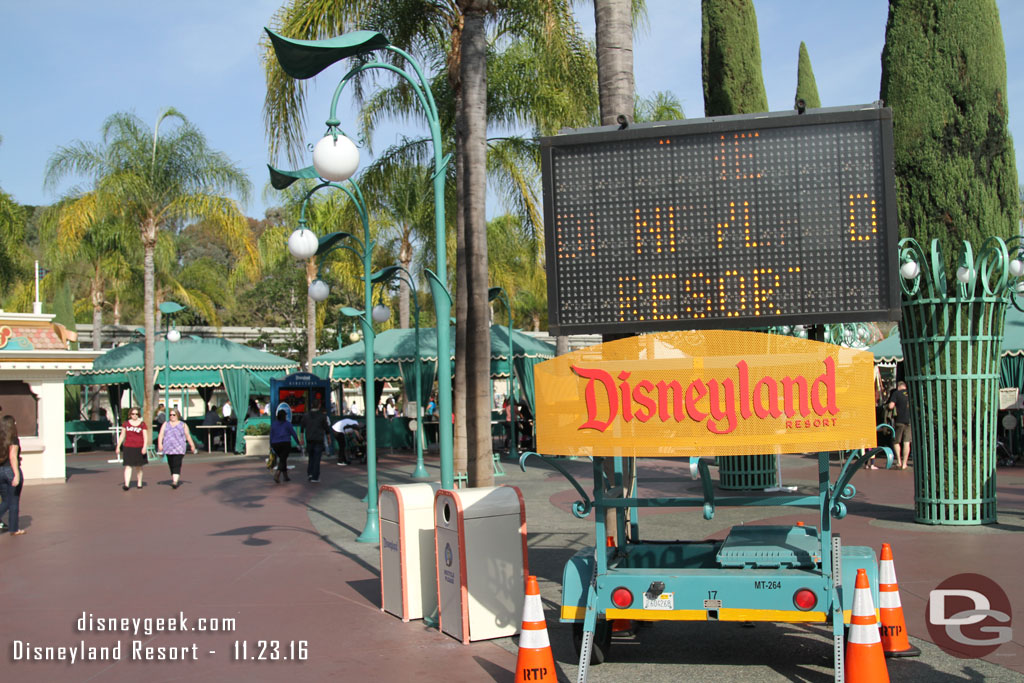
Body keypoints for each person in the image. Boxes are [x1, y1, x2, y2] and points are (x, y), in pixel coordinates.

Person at [158, 408, 197, 489]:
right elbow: (161, 434)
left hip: (179, 447)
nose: (172, 416)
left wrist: (192, 445)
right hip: (168, 447)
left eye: (174, 415)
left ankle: (175, 481)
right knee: (171, 463)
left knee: (177, 463)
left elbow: (188, 436)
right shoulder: (166, 424)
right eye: (170, 415)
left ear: (177, 415)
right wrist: (160, 444)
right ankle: (174, 477)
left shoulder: (183, 425)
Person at [0, 415, 25, 535]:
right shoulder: (13, 439)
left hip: (0, 471)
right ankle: (14, 529)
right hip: (10, 470)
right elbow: (12, 457)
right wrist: (17, 475)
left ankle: (13, 528)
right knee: (13, 501)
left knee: (5, 501)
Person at [115, 406, 150, 490]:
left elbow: (145, 436)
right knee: (128, 466)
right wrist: (118, 446)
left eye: (136, 414)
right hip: (128, 447)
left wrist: (145, 447)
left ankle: (139, 482)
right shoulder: (126, 424)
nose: (134, 416)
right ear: (130, 415)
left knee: (139, 466)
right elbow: (122, 435)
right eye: (133, 414)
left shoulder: (142, 424)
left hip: (139, 447)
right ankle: (127, 484)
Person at [302, 398, 331, 483]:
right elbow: (326, 428)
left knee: (311, 457)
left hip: (309, 438)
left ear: (311, 405)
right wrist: (329, 438)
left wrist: (301, 438)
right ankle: (315, 476)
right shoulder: (322, 416)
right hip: (318, 438)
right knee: (317, 458)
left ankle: (310, 473)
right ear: (319, 405)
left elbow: (302, 427)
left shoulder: (306, 415)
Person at [270, 409, 303, 483]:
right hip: (285, 443)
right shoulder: (287, 424)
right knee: (283, 459)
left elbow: (271, 435)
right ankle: (277, 474)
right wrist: (298, 442)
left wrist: (271, 444)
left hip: (275, 444)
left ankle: (285, 476)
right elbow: (293, 434)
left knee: (282, 459)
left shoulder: (274, 424)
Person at [887, 380, 912, 470]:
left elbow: (891, 406)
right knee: (907, 442)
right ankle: (905, 464)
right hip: (909, 421)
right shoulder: (910, 393)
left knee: (896, 441)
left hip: (899, 421)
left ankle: (899, 461)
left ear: (898, 387)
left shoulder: (896, 393)